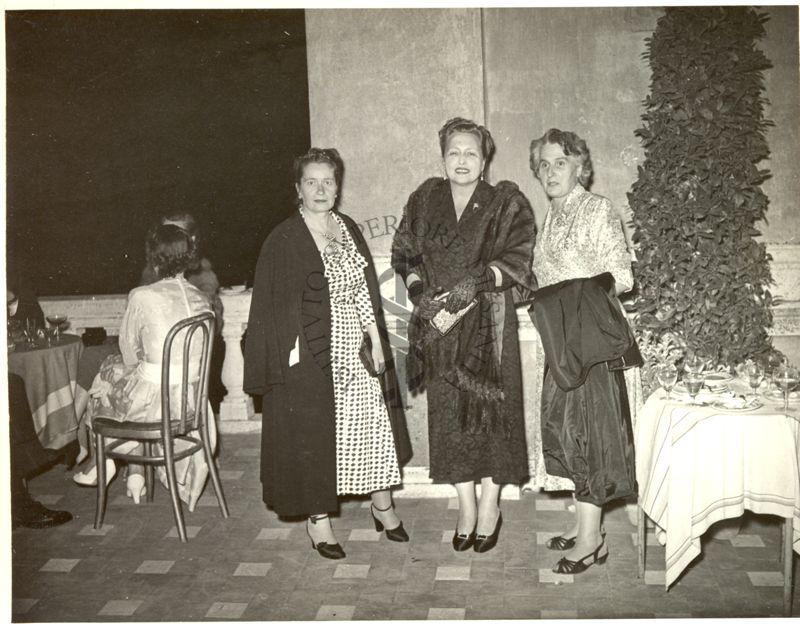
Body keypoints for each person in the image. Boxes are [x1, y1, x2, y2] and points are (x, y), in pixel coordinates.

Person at [244, 147, 412, 560]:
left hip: (355, 348)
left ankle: (382, 505)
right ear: (297, 188)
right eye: (312, 182)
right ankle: (317, 520)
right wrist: (293, 355)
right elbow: (272, 306)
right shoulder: (284, 238)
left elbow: (362, 290)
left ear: (338, 185)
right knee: (314, 437)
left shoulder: (347, 227)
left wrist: (374, 337)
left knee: (372, 430)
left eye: (329, 181)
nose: (321, 189)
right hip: (310, 355)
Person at [391, 118, 536, 553]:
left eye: (471, 152)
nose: (461, 160)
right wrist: (420, 293)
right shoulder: (424, 198)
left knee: (493, 417)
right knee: (451, 417)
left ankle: (490, 505)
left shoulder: (506, 201)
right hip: (440, 325)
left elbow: (519, 257)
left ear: (485, 158)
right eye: (454, 151)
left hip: (487, 324)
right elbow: (405, 251)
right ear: (442, 156)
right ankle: (466, 506)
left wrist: (477, 283)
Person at [529, 128, 639, 574]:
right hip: (559, 348)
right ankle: (584, 526)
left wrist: (577, 298)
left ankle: (592, 542)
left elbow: (623, 276)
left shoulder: (597, 209)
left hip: (590, 348)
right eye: (544, 164)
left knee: (590, 439)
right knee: (569, 435)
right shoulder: (550, 216)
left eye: (560, 162)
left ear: (579, 167)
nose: (551, 171)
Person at [73, 224, 216, 510]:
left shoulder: (142, 296)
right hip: (191, 402)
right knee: (115, 374)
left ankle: (106, 460)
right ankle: (128, 470)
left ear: (154, 258)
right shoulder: (202, 297)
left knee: (105, 373)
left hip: (155, 404)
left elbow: (127, 353)